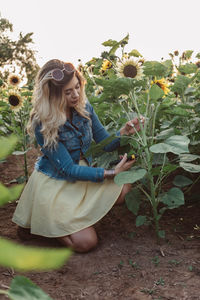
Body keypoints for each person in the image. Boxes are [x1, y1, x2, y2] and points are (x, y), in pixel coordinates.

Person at [12, 59, 144, 253]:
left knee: (124, 188)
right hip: (57, 184)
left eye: (77, 87)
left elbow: (105, 144)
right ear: (52, 95)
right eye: (68, 92)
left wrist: (124, 132)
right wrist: (110, 172)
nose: (75, 95)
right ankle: (44, 226)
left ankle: (69, 220)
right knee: (85, 243)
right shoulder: (43, 122)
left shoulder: (84, 108)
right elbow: (68, 169)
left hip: (82, 176)